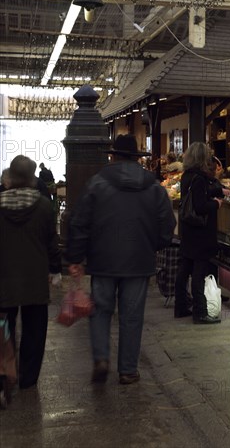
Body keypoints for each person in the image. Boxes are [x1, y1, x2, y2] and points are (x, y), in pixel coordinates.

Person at [64, 135, 176, 385]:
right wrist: (152, 246)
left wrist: (75, 257)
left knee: (101, 311)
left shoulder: (96, 184)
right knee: (132, 316)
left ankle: (101, 358)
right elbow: (167, 224)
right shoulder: (154, 187)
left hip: (102, 261)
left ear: (112, 156)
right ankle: (127, 370)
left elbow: (79, 223)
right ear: (136, 158)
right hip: (138, 261)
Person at [0, 156, 61, 390]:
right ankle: (28, 378)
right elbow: (51, 242)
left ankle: (6, 369)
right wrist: (55, 269)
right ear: (32, 178)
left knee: (4, 326)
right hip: (35, 278)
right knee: (35, 330)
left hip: (3, 277)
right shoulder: (43, 206)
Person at [175, 143, 224, 324]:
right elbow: (201, 206)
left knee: (185, 268)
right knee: (199, 271)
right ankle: (200, 312)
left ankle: (180, 306)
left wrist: (219, 190)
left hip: (188, 230)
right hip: (200, 232)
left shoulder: (187, 176)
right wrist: (217, 204)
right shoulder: (200, 178)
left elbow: (198, 196)